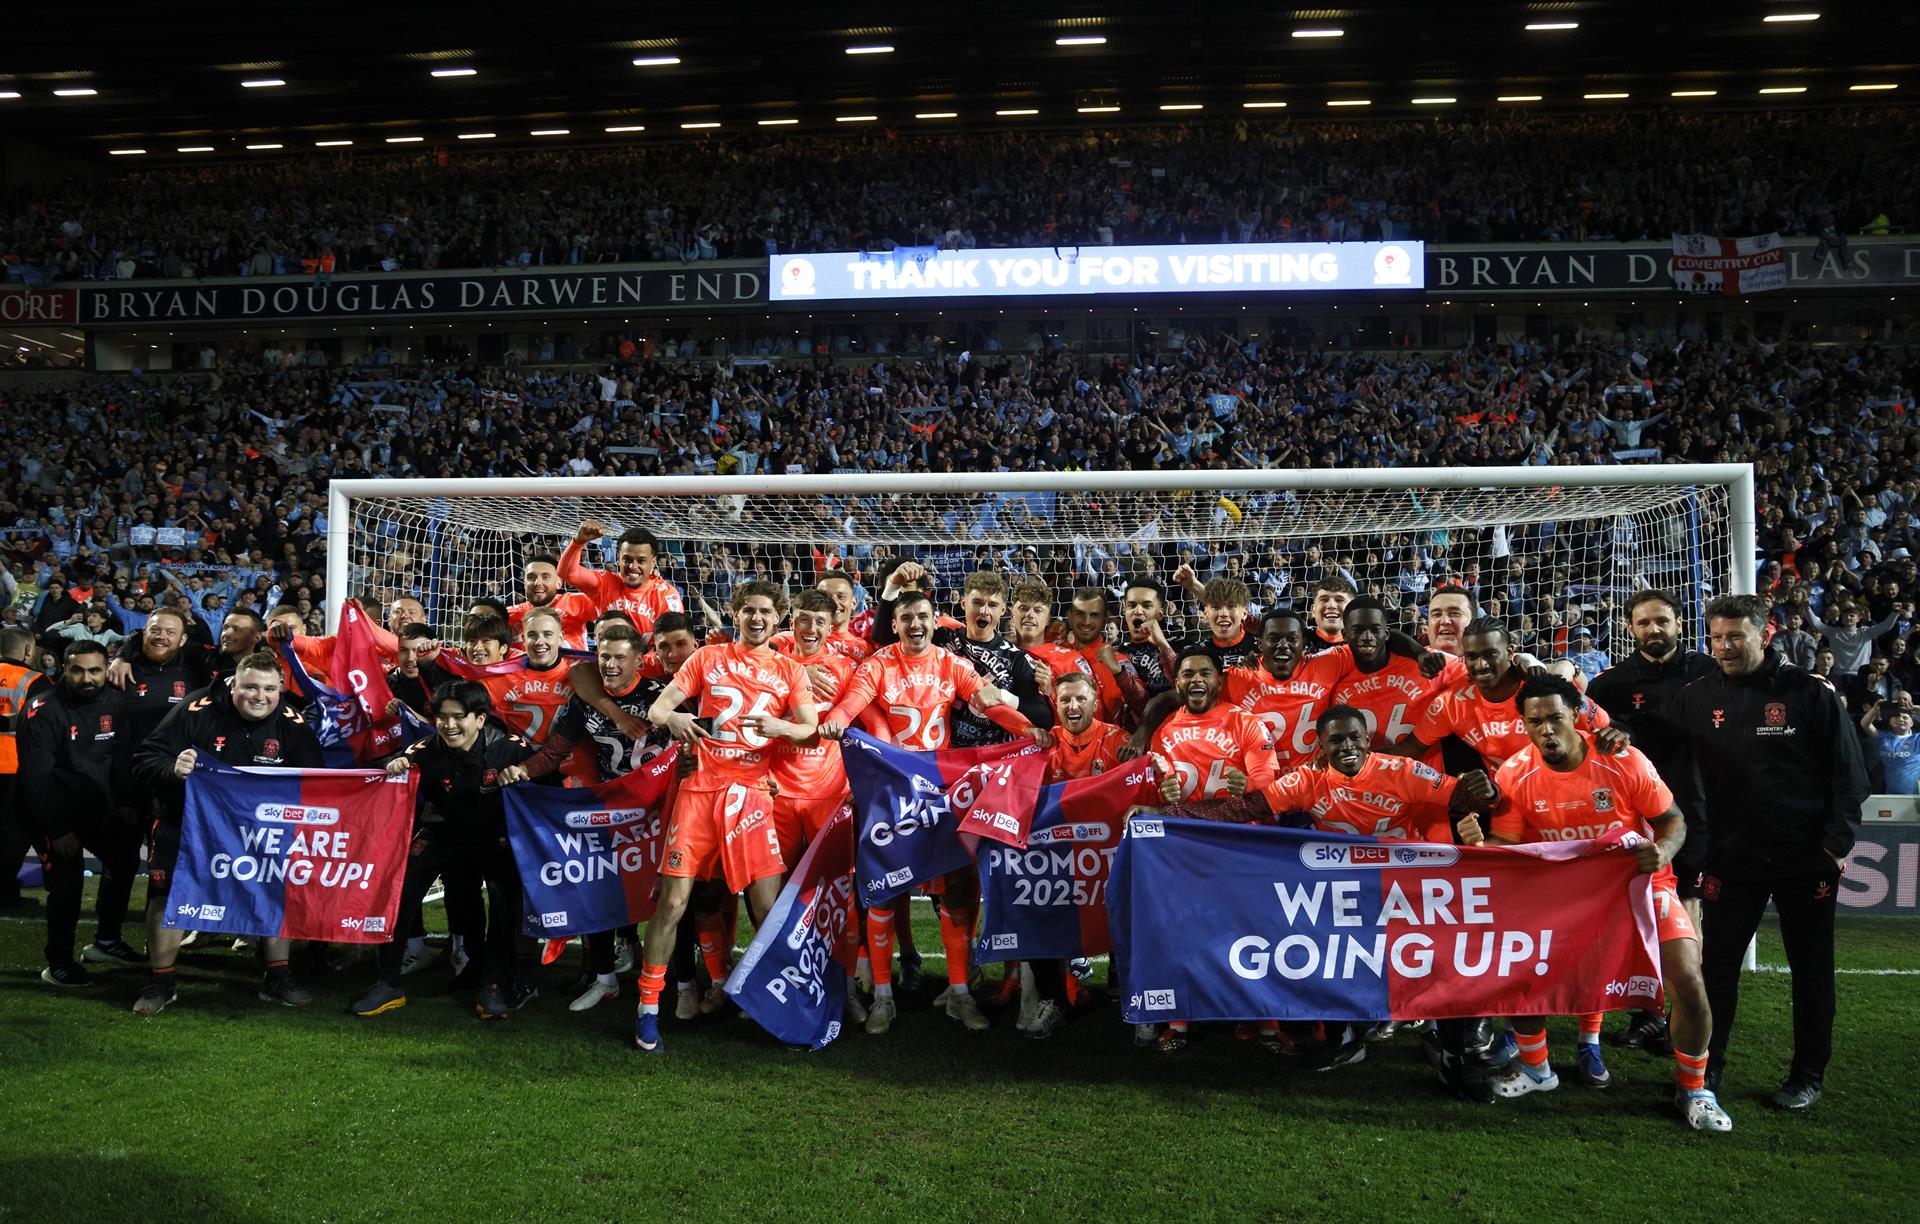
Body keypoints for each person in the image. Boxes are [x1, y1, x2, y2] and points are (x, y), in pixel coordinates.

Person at [1457, 673, 1733, 1133]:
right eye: (1535, 721)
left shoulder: (1621, 760)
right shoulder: (1514, 774)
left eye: (1555, 719)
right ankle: (1536, 1069)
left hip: (1639, 887)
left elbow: (1673, 821)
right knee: (1515, 959)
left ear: (1575, 718)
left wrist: (1663, 851)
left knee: (1687, 976)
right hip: (1561, 894)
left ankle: (1694, 1089)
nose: (1546, 730)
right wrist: (1480, 844)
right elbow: (1508, 848)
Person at [1654, 594, 1870, 1111]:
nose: (1724, 647)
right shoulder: (1700, 694)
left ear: (1764, 634)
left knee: (1811, 969)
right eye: (1716, 637)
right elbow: (1648, 737)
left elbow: (1849, 775)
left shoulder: (1808, 692)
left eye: (1735, 637)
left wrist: (1835, 846)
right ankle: (1709, 1070)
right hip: (1732, 858)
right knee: (1717, 969)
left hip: (1805, 859)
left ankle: (1807, 1076)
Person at [820, 588, 1046, 1036]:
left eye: (923, 617)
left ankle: (959, 994)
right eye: (907, 618)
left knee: (957, 895)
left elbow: (990, 702)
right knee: (885, 892)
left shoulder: (951, 663)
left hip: (942, 793)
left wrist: (1030, 729)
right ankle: (883, 997)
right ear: (897, 622)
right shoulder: (878, 664)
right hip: (891, 793)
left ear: (934, 620)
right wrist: (837, 721)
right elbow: (851, 705)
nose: (916, 625)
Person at [633, 581, 818, 1053]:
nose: (756, 619)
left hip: (753, 795)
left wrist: (784, 728)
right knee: (673, 904)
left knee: (769, 910)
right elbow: (658, 707)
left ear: (778, 619)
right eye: (748, 610)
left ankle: (783, 1004)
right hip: (699, 793)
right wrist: (672, 719)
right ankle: (648, 1007)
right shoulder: (705, 659)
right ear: (735, 614)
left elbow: (811, 731)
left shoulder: (791, 670)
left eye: (765, 612)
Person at [131, 651, 326, 1016]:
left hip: (259, 830)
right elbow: (145, 758)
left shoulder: (292, 724)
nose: (260, 696)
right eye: (251, 687)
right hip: (187, 823)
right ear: (233, 684)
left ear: (281, 689)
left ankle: (277, 977)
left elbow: (314, 781)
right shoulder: (196, 709)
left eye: (269, 689)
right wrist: (173, 767)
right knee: (167, 895)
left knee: (274, 889)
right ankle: (161, 981)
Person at [350, 681, 539, 1020]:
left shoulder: (510, 749)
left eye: (458, 717)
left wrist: (524, 774)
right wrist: (394, 765)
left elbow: (541, 785)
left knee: (503, 902)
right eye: (441, 717)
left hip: (494, 839)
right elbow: (390, 769)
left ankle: (493, 984)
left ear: (480, 719)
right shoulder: (423, 750)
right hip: (442, 834)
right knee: (400, 891)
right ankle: (388, 982)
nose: (449, 725)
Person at [1587, 588, 1721, 1054]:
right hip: (1627, 823)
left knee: (1686, 917)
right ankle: (1650, 1014)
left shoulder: (1707, 672)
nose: (1653, 630)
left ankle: (1683, 1016)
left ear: (1680, 624)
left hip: (1690, 816)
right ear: (1629, 628)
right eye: (1644, 623)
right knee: (1637, 922)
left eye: (1662, 621)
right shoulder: (1609, 684)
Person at [1144, 644, 1280, 1052]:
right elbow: (1155, 791)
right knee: (1184, 930)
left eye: (1205, 672)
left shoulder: (1246, 722)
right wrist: (1161, 791)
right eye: (1187, 673)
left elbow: (1268, 779)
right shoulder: (1164, 730)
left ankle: (1264, 1022)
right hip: (1187, 847)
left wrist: (1249, 784)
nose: (1196, 679)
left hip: (1241, 843)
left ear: (1219, 680)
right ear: (1177, 681)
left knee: (1252, 932)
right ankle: (1180, 1021)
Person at [18, 642, 143, 984]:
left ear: (106, 670)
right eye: (78, 670)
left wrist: (126, 805)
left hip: (98, 809)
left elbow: (120, 760)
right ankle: (58, 962)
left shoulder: (116, 703)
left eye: (95, 671)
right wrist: (58, 830)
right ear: (63, 669)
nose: (87, 678)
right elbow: (36, 778)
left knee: (124, 861)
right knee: (67, 884)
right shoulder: (42, 710)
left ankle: (106, 941)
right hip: (54, 814)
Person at [939, 571, 1053, 749]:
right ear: (963, 604)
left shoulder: (1016, 658)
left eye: (992, 605)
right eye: (977, 603)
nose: (984, 611)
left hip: (990, 757)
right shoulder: (942, 637)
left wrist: (1003, 696)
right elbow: (884, 637)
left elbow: (1044, 718)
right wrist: (892, 587)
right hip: (942, 750)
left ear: (1003, 610)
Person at [558, 519, 684, 637]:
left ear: (653, 562)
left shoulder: (665, 594)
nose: (633, 566)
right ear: (618, 558)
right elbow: (567, 573)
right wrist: (578, 542)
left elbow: (675, 638)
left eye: (641, 561)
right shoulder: (605, 583)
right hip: (608, 658)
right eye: (627, 559)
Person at [0, 625, 52, 909]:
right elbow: (43, 725)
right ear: (29, 650)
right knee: (12, 834)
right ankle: (5, 893)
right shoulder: (35, 680)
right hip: (14, 767)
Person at [508, 554, 597, 649]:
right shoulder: (511, 615)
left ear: (559, 583)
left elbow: (610, 607)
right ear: (525, 583)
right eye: (531, 577)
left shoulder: (576, 603)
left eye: (545, 577)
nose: (537, 583)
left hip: (576, 663)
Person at [1115, 575, 1176, 698]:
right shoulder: (1116, 653)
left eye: (1147, 605)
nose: (1138, 611)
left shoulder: (1179, 646)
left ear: (1160, 613)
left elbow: (1185, 687)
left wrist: (1164, 647)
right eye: (1131, 605)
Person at [1861, 700, 1920, 793]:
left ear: (1911, 723)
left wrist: (1917, 710)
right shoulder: (1883, 738)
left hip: (1914, 796)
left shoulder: (1917, 739)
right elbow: (1865, 725)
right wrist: (1875, 709)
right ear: (1890, 722)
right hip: (1889, 795)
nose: (1900, 719)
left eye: (1905, 717)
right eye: (1896, 717)